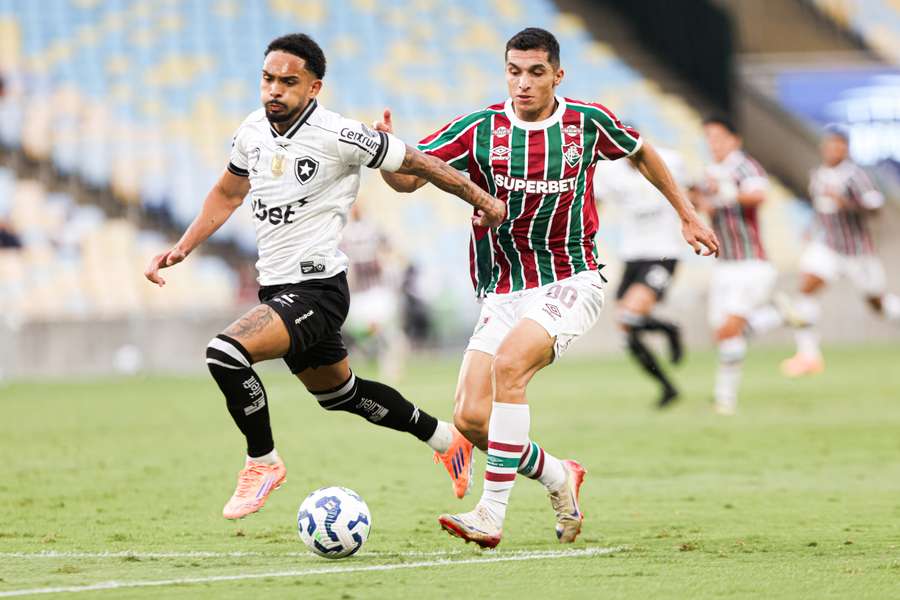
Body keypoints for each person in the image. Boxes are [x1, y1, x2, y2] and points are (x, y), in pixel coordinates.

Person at [377, 27, 718, 548]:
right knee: (470, 418)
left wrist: (686, 214)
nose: (523, 83)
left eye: (536, 72)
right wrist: (385, 152)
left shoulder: (586, 123)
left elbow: (641, 151)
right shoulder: (478, 130)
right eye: (514, 72)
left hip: (571, 278)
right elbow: (408, 178)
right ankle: (561, 476)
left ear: (558, 75)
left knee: (510, 367)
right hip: (503, 290)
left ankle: (490, 514)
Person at [144, 33, 505, 520]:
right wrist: (182, 247)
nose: (274, 90)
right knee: (342, 395)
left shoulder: (342, 135)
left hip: (318, 289)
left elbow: (418, 165)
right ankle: (446, 439)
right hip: (278, 287)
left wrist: (482, 200)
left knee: (225, 354)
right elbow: (227, 194)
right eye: (267, 79)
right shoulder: (251, 132)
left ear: (314, 88)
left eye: (288, 82)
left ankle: (262, 462)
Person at [781, 126, 900, 376]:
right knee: (806, 289)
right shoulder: (818, 175)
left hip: (858, 252)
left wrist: (845, 203)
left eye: (839, 145)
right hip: (829, 247)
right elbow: (821, 208)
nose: (834, 150)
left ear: (846, 148)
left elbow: (875, 208)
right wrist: (811, 228)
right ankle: (809, 356)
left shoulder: (857, 176)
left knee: (878, 306)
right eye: (830, 144)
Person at [691, 116, 785, 416]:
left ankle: (724, 399)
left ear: (735, 140)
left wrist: (727, 194)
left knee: (731, 330)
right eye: (708, 138)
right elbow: (703, 202)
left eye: (718, 137)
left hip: (750, 262)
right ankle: (775, 314)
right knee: (722, 333)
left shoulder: (745, 166)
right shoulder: (710, 172)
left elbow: (759, 196)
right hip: (725, 264)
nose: (713, 144)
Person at [594, 142, 686, 408]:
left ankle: (670, 329)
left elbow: (691, 191)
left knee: (630, 315)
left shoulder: (667, 161)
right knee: (626, 330)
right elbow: (596, 203)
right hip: (631, 256)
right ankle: (667, 387)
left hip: (663, 254)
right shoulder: (610, 171)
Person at [340, 202, 406, 381]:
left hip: (377, 289)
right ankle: (366, 350)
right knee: (362, 329)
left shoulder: (372, 229)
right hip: (359, 292)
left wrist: (389, 264)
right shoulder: (345, 233)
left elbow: (391, 247)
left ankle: (390, 366)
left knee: (385, 330)